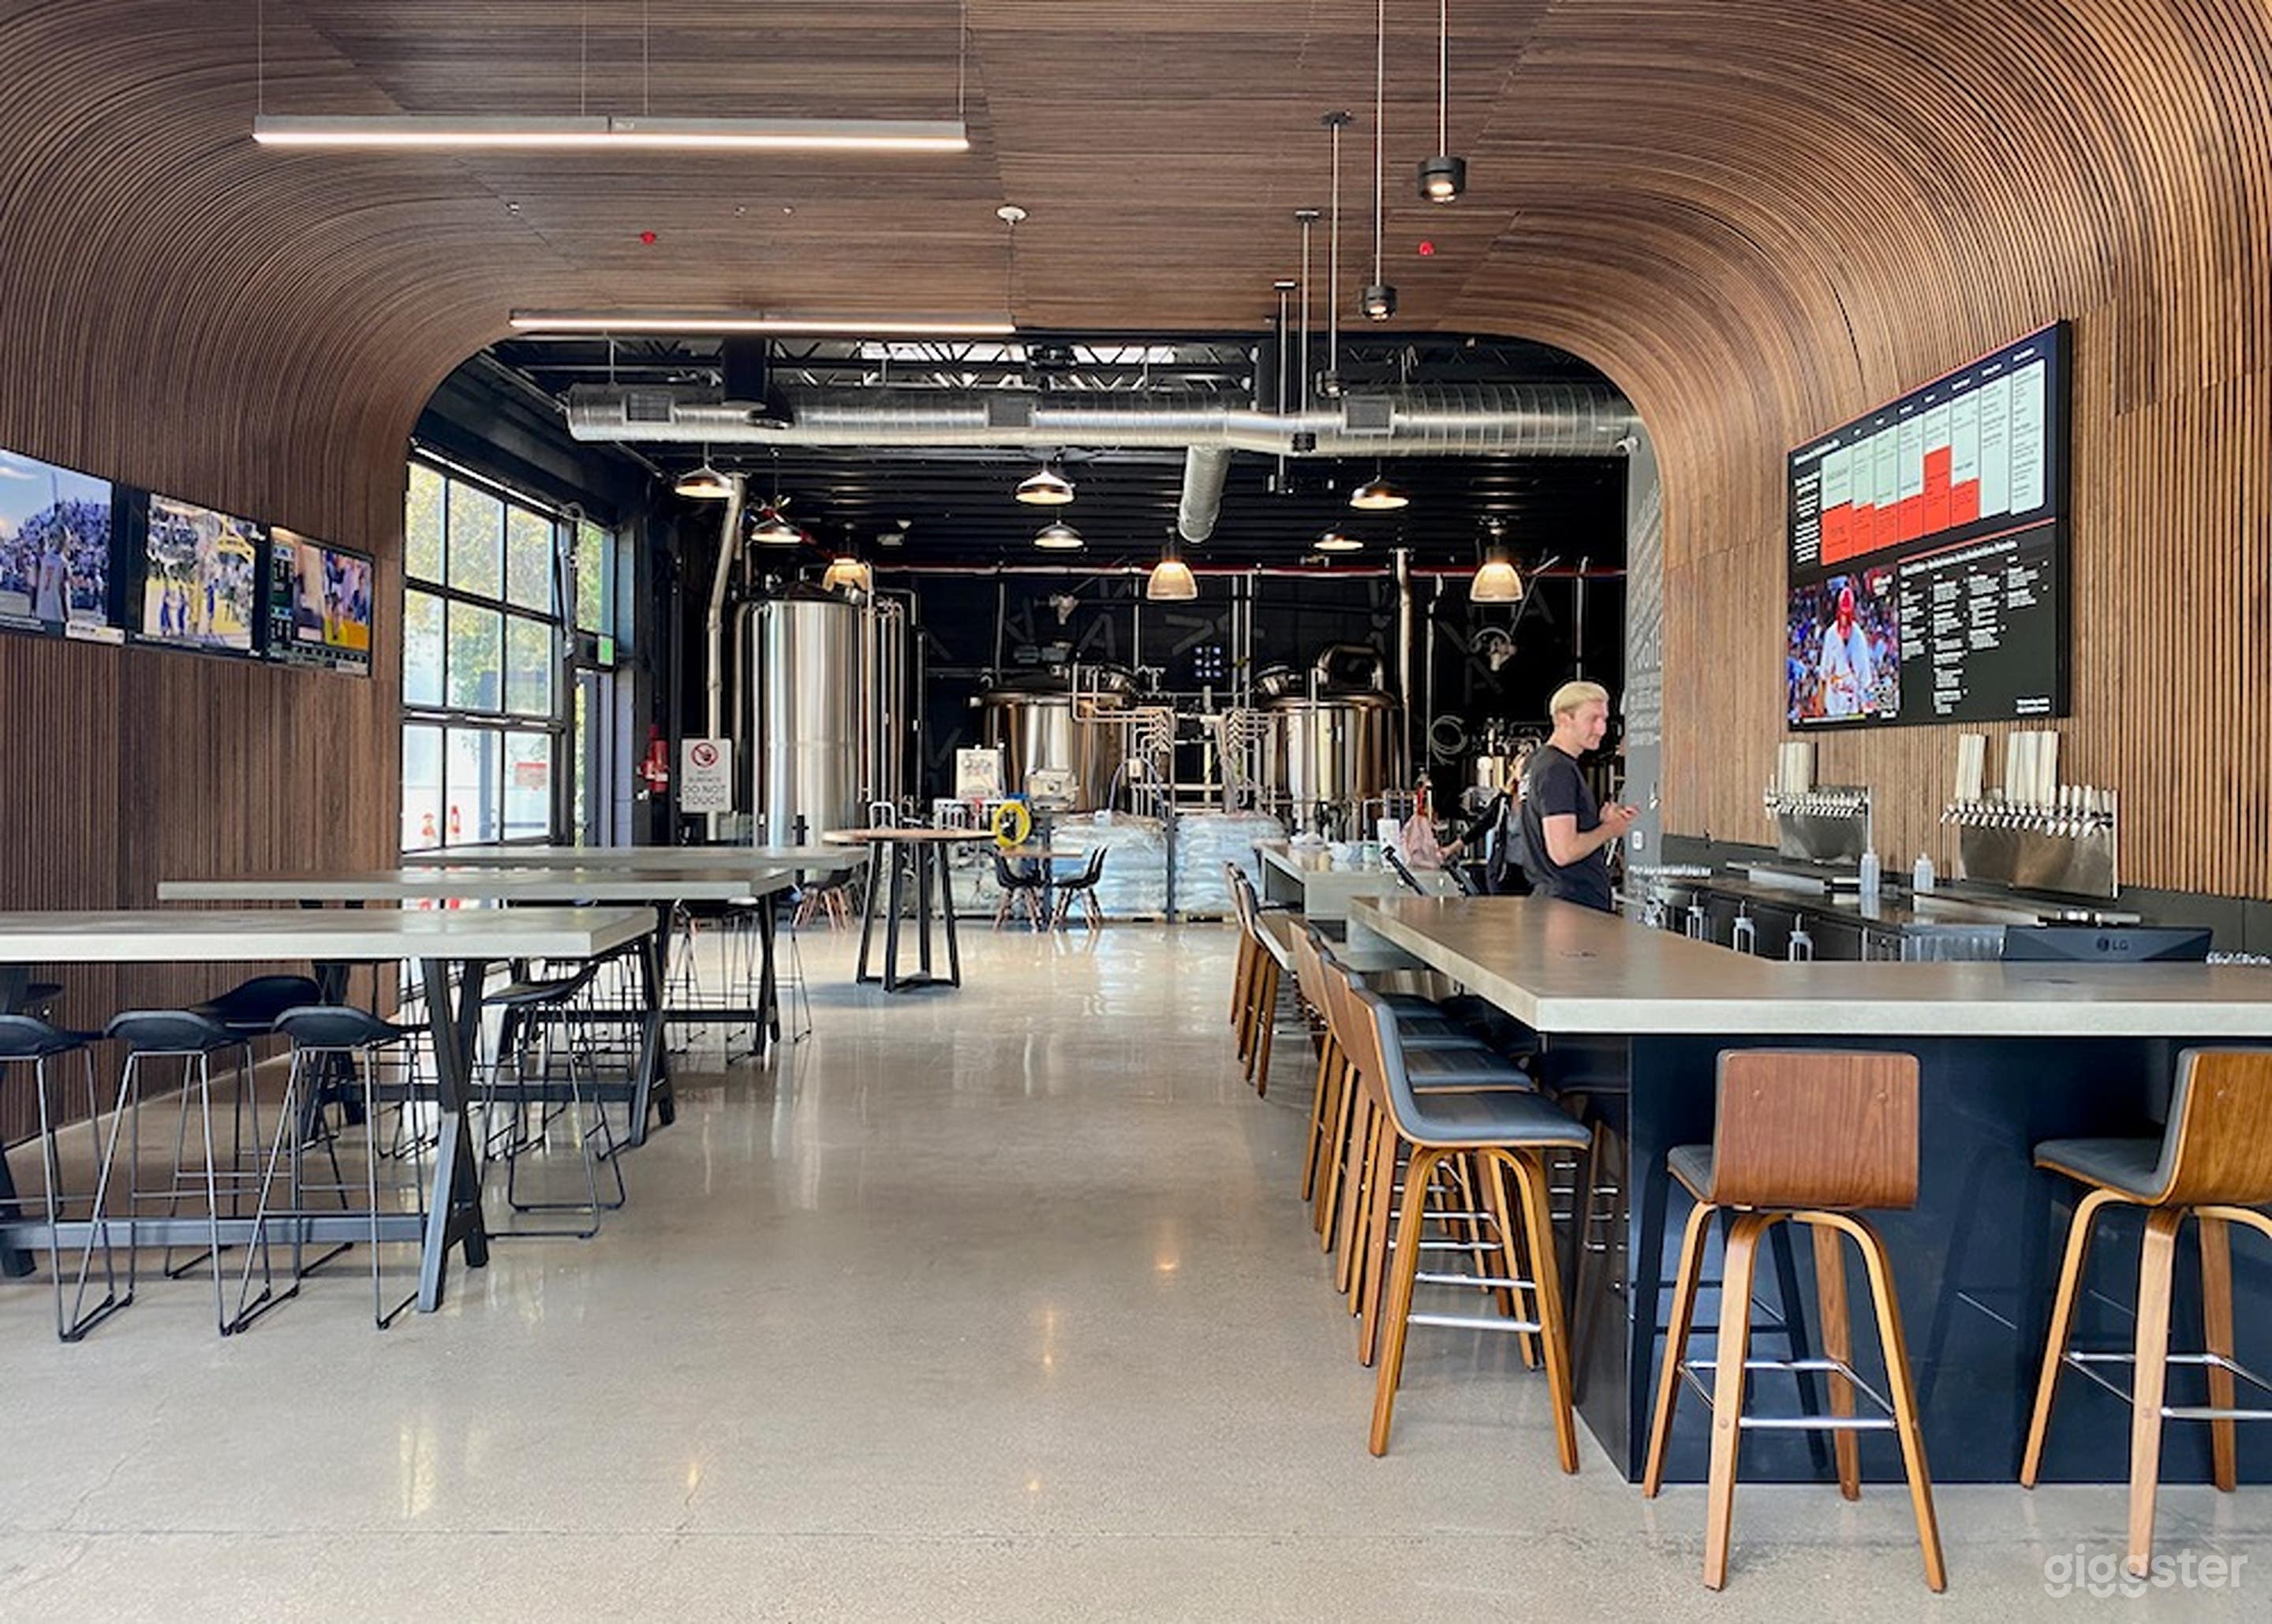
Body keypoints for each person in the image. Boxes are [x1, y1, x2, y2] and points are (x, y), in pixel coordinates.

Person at [1518, 680, 1637, 911]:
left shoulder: (1536, 762)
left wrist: (1598, 823)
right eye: (1593, 719)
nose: (1602, 729)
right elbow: (1563, 852)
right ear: (1564, 719)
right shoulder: (1557, 769)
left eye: (1604, 719)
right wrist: (1612, 829)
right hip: (1571, 906)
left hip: (1554, 901)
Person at [1817, 583, 1875, 719]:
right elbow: (1824, 674)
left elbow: (1866, 682)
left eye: (1847, 614)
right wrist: (1819, 703)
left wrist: (1867, 709)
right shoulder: (1831, 634)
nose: (1844, 619)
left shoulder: (1859, 638)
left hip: (1852, 707)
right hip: (1833, 704)